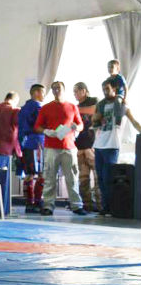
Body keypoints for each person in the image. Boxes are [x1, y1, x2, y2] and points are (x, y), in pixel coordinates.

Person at [34, 81, 86, 216]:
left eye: (59, 88)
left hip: (69, 147)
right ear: (52, 91)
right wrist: (47, 131)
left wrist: (76, 128)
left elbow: (81, 125)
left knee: (72, 177)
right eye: (54, 88)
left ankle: (76, 205)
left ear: (64, 89)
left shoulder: (72, 107)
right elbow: (37, 127)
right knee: (50, 177)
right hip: (51, 147)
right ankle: (48, 206)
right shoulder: (45, 108)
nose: (56, 90)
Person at [92, 78, 141, 215]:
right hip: (99, 145)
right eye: (103, 89)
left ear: (114, 89)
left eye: (107, 89)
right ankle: (105, 206)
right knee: (100, 178)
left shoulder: (121, 105)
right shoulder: (100, 105)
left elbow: (133, 121)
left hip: (112, 145)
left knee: (108, 178)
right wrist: (96, 118)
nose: (105, 92)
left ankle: (112, 207)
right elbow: (94, 122)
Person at [17, 84, 46, 213]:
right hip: (37, 143)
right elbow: (42, 124)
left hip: (25, 144)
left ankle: (29, 203)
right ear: (36, 92)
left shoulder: (23, 109)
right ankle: (38, 201)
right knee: (40, 173)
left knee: (29, 174)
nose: (44, 96)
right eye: (43, 92)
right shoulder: (37, 107)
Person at [73, 82, 100, 212]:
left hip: (92, 145)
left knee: (97, 177)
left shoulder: (95, 102)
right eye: (74, 92)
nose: (75, 94)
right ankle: (87, 204)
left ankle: (101, 205)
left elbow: (96, 114)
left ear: (84, 90)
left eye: (76, 91)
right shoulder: (75, 107)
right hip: (79, 147)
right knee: (83, 178)